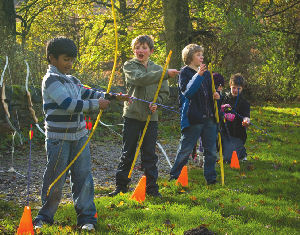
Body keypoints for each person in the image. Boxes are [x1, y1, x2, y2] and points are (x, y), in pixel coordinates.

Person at [34, 37, 129, 231]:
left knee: (83, 177)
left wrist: (112, 96)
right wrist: (96, 105)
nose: (70, 64)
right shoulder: (51, 80)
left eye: (71, 60)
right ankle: (44, 217)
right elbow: (69, 104)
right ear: (52, 58)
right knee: (55, 179)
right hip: (58, 139)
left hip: (79, 137)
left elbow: (90, 93)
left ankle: (87, 219)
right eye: (65, 59)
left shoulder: (72, 79)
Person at [109, 35, 179, 197]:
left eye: (144, 48)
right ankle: (121, 186)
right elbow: (139, 80)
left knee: (149, 153)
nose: (140, 50)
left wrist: (157, 103)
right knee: (128, 152)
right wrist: (165, 74)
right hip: (132, 115)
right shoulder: (129, 66)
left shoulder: (158, 69)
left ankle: (152, 188)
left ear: (151, 51)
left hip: (150, 118)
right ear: (134, 50)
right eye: (138, 47)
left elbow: (164, 92)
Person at [169, 44, 220, 185]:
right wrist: (198, 75)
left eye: (201, 54)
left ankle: (211, 178)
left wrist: (216, 95)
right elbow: (188, 93)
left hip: (209, 117)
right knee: (185, 149)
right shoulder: (185, 73)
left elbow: (209, 94)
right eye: (198, 54)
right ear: (190, 57)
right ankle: (174, 176)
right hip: (193, 117)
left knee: (211, 151)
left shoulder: (207, 73)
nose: (201, 57)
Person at [219, 73, 250, 162]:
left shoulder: (244, 102)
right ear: (230, 86)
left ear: (242, 88)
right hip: (222, 133)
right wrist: (223, 114)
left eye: (238, 88)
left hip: (236, 135)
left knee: (228, 159)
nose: (235, 90)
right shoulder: (224, 98)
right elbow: (217, 111)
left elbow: (246, 116)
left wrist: (246, 121)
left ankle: (242, 152)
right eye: (234, 87)